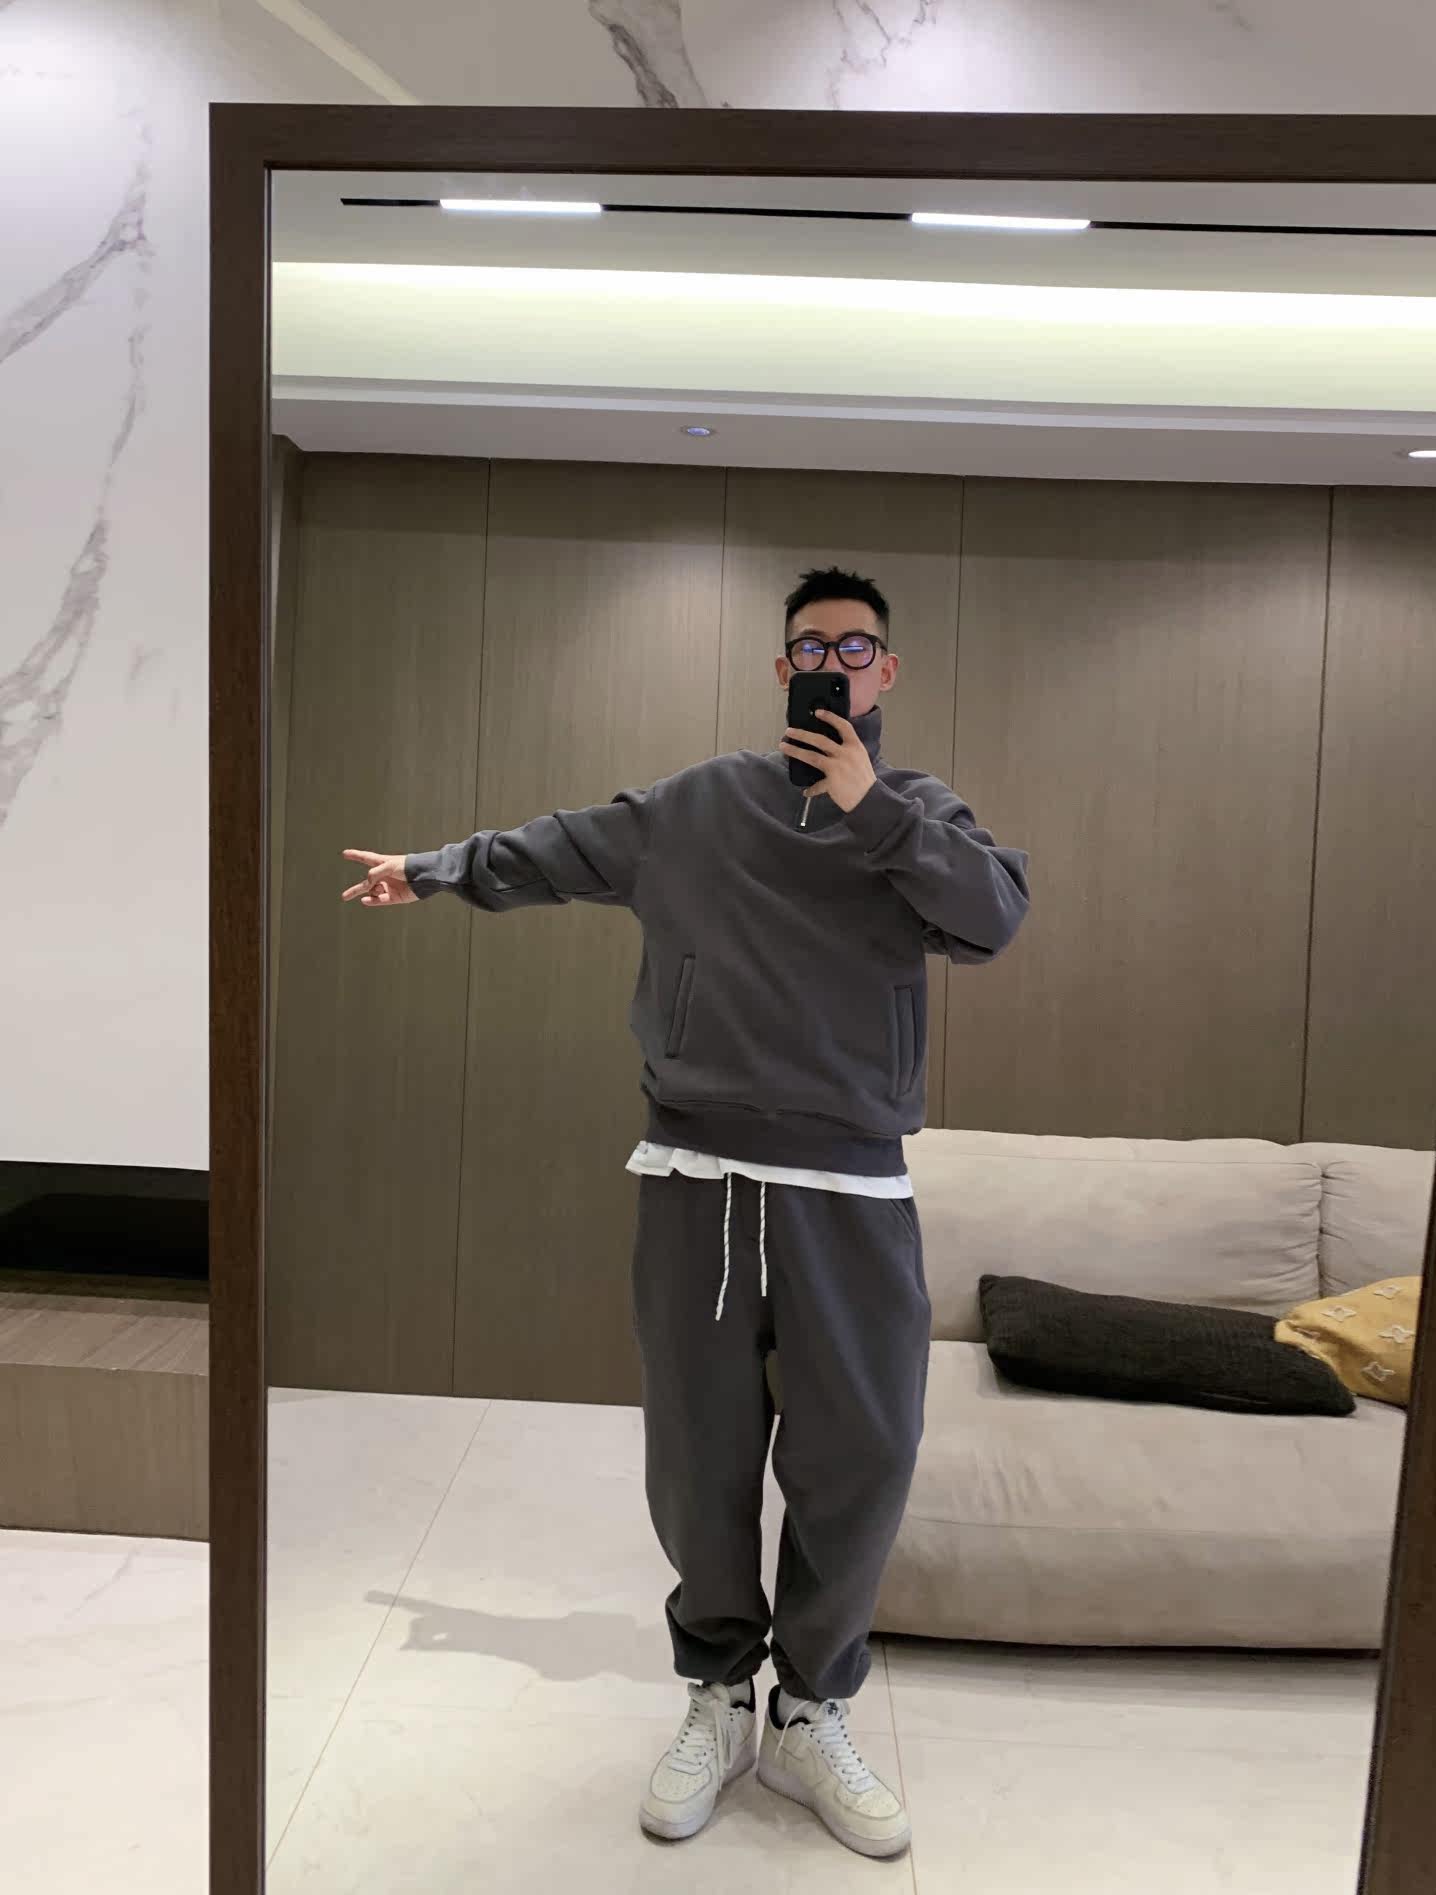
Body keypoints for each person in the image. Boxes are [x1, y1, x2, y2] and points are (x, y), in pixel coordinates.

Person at [340, 566, 1029, 1859]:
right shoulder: (700, 805)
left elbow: (993, 918)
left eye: (857, 648)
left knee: (863, 1457)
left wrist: (872, 808)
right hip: (696, 1177)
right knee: (699, 1460)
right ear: (783, 670)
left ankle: (809, 1711)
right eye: (811, 647)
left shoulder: (919, 814)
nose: (833, 664)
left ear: (887, 673)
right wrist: (433, 871)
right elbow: (555, 849)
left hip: (851, 1189)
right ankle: (717, 1692)